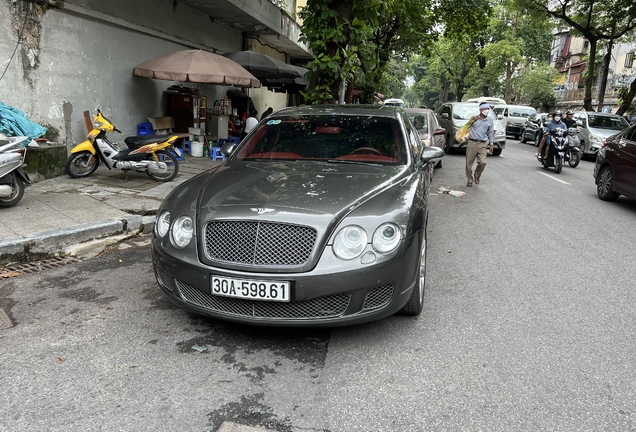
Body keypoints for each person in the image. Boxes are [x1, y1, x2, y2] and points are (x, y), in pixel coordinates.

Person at [465, 103, 495, 187]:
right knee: (468, 163)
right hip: (472, 142)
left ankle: (477, 175)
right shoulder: (474, 118)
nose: (486, 110)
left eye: (488, 109)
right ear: (480, 110)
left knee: (483, 162)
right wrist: (471, 121)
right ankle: (470, 179)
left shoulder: (490, 120)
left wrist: (491, 144)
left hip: (483, 144)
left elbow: (490, 132)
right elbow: (466, 127)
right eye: (484, 109)